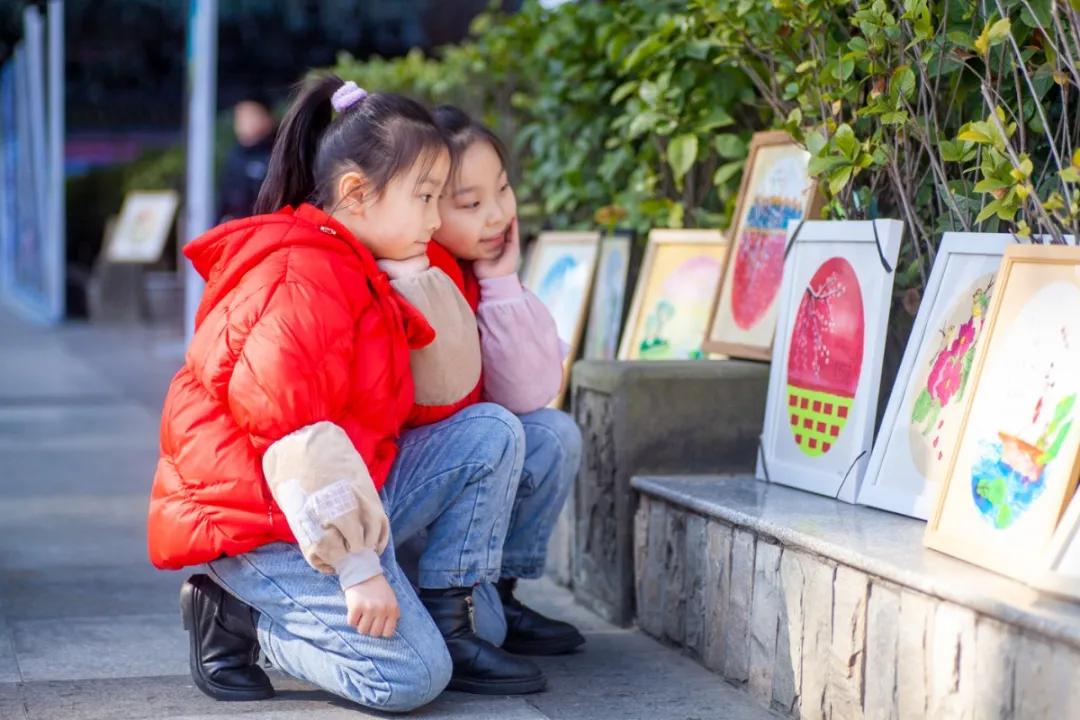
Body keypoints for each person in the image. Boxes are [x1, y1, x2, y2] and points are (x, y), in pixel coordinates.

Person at [148, 75, 547, 714]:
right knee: (410, 678)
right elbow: (296, 439)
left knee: (492, 431)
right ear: (358, 193)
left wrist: (417, 272)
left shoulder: (358, 261)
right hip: (266, 522)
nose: (436, 218)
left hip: (331, 491)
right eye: (424, 197)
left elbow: (448, 395)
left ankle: (451, 616)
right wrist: (359, 568)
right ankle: (244, 616)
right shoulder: (300, 276)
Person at [406, 104, 585, 656]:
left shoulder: (477, 270)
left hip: (467, 478)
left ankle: (498, 588)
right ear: (428, 205)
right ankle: (447, 596)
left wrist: (503, 284)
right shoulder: (418, 270)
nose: (497, 215)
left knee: (552, 434)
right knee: (485, 638)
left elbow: (533, 392)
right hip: (410, 497)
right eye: (471, 203)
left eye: (502, 191)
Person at [217, 93, 276, 221]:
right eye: (239, 117)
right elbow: (223, 201)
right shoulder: (234, 156)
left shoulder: (277, 155)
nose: (244, 122)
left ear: (267, 119)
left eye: (250, 116)